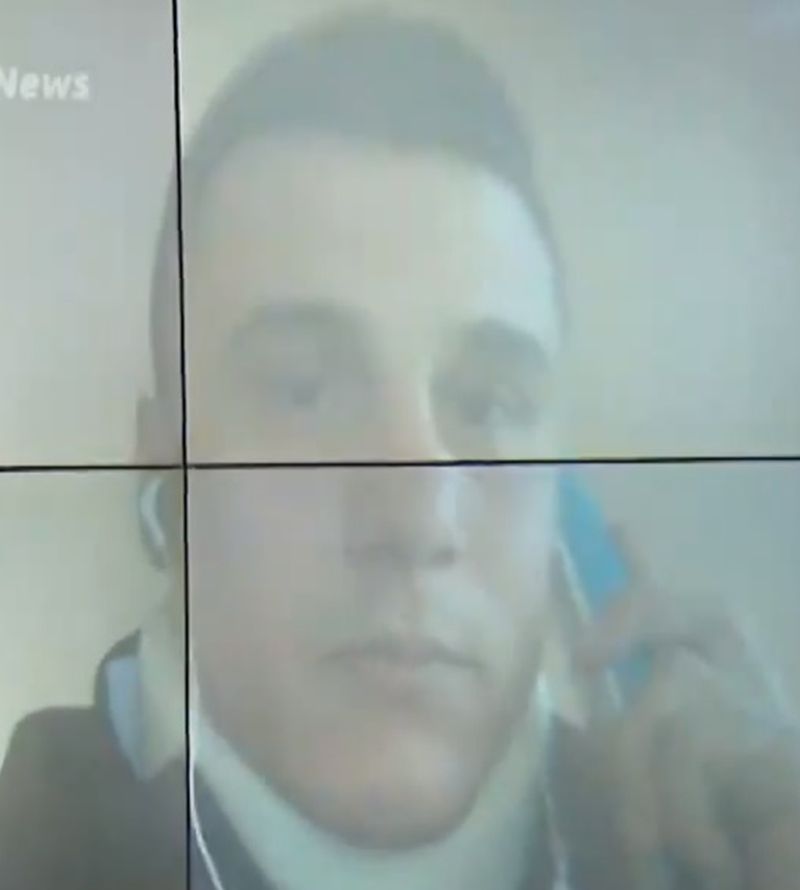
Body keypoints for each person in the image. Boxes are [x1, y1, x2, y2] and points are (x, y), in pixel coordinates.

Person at [1, 10, 799, 890]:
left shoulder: (728, 849)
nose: (416, 521)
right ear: (165, 473)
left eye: (490, 404)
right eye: (303, 392)